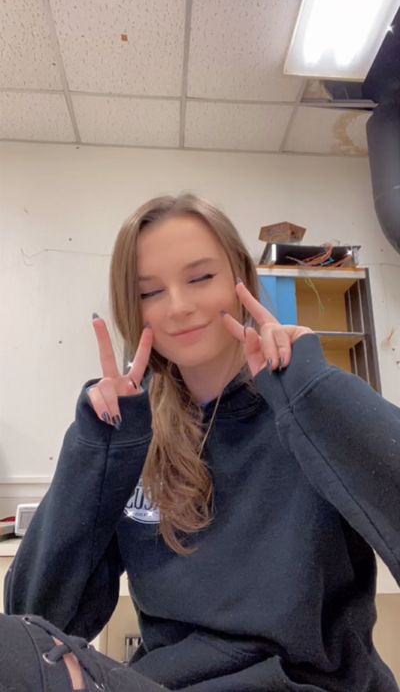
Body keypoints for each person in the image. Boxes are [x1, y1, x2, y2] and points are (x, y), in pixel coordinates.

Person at [2, 192, 400, 692]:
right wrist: (98, 449)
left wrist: (317, 392)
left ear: (239, 277)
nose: (179, 307)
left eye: (200, 278)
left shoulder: (309, 404)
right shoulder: (130, 433)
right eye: (150, 292)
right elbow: (35, 621)